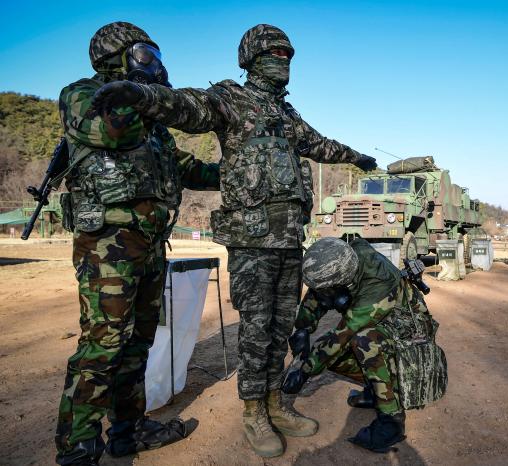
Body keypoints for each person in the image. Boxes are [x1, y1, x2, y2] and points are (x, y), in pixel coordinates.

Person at [91, 24, 378, 457]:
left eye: (287, 55)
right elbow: (186, 105)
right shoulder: (229, 98)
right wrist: (143, 96)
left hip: (287, 239)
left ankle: (276, 402)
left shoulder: (286, 115)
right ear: (250, 58)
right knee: (257, 328)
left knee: (281, 327)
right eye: (273, 53)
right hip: (251, 239)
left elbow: (319, 144)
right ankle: (253, 413)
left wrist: (356, 157)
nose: (282, 61)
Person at [55, 22, 220, 466]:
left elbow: (185, 167)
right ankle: (78, 447)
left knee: (138, 344)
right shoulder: (82, 94)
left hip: (149, 245)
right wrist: (143, 97)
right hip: (107, 243)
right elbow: (113, 133)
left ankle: (128, 432)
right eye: (144, 54)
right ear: (116, 57)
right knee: (103, 344)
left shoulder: (152, 120)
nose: (155, 63)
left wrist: (236, 173)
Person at [282, 237, 446, 453]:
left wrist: (304, 371)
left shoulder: (379, 285)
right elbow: (318, 293)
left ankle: (391, 420)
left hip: (410, 343)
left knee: (363, 341)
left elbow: (343, 334)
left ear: (344, 280)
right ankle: (377, 390)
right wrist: (304, 327)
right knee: (337, 353)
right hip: (385, 330)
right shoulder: (343, 257)